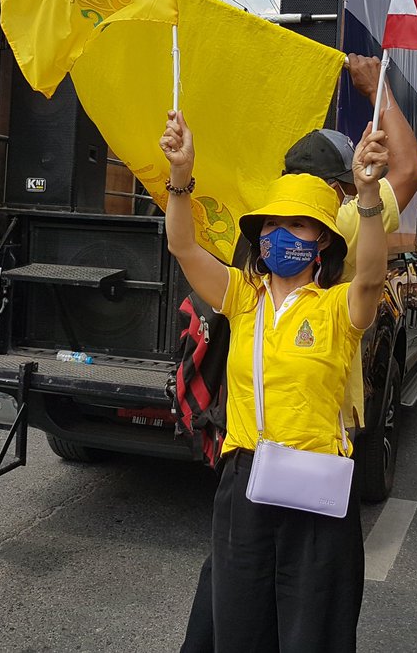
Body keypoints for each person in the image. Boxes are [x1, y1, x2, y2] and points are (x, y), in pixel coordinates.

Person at [161, 108, 388, 652]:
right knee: (239, 627)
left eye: (298, 225)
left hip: (317, 487)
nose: (281, 235)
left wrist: (369, 196)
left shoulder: (339, 307)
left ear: (325, 241)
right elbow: (184, 248)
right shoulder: (242, 296)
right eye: (270, 225)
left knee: (313, 633)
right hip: (247, 481)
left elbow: (375, 274)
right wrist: (180, 178)